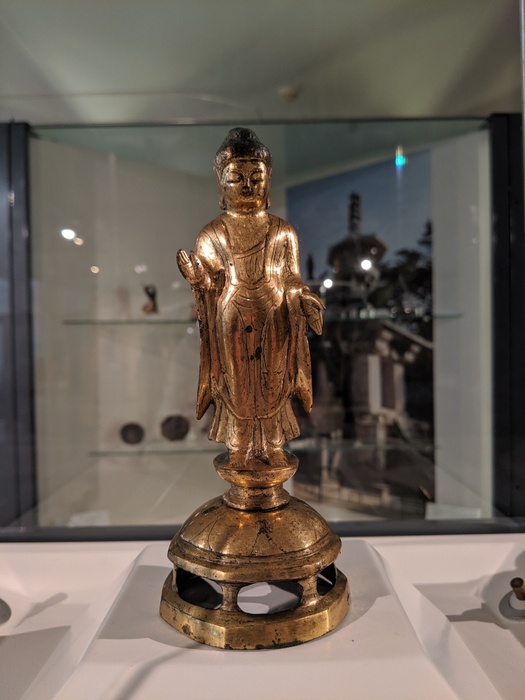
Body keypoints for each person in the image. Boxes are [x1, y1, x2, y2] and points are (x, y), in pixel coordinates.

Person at [177, 128, 323, 467]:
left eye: (255, 178)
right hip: (232, 317)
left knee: (274, 381)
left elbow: (291, 278)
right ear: (221, 184)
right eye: (236, 178)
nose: (247, 186)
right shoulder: (212, 233)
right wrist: (198, 279)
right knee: (238, 385)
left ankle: (272, 443)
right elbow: (211, 283)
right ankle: (240, 444)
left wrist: (303, 297)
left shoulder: (283, 232)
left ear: (268, 181)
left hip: (275, 315)